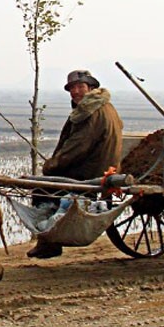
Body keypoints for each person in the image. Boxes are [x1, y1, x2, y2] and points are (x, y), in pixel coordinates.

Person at [27, 69, 123, 259]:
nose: (76, 92)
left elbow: (78, 147)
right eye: (72, 88)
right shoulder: (104, 107)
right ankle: (50, 237)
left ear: (91, 88)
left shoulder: (90, 112)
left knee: (42, 188)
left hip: (90, 172)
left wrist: (51, 166)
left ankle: (49, 241)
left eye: (80, 87)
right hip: (103, 167)